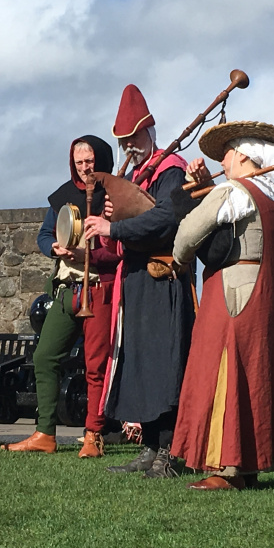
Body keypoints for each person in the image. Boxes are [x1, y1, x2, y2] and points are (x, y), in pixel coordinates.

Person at [170, 120, 274, 490]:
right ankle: (247, 467)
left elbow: (188, 233)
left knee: (226, 372)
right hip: (264, 296)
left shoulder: (236, 191)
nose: (224, 159)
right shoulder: (271, 194)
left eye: (228, 152)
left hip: (233, 295)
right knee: (255, 374)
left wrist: (179, 261)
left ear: (244, 155)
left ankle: (227, 468)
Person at [84, 85, 196, 478]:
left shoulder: (171, 170)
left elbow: (167, 219)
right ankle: (149, 449)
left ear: (150, 131)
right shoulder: (134, 175)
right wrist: (111, 220)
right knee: (141, 363)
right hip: (134, 277)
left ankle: (169, 452)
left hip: (163, 276)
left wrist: (113, 228)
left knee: (165, 363)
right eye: (124, 140)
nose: (130, 145)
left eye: (135, 137)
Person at [1, 135, 119, 457]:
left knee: (96, 365)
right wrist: (53, 247)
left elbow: (123, 249)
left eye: (90, 162)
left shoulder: (117, 195)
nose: (84, 168)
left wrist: (89, 254)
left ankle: (94, 435)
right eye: (79, 163)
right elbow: (43, 234)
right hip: (67, 290)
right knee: (44, 356)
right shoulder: (63, 197)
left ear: (101, 161)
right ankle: (44, 433)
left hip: (99, 289)